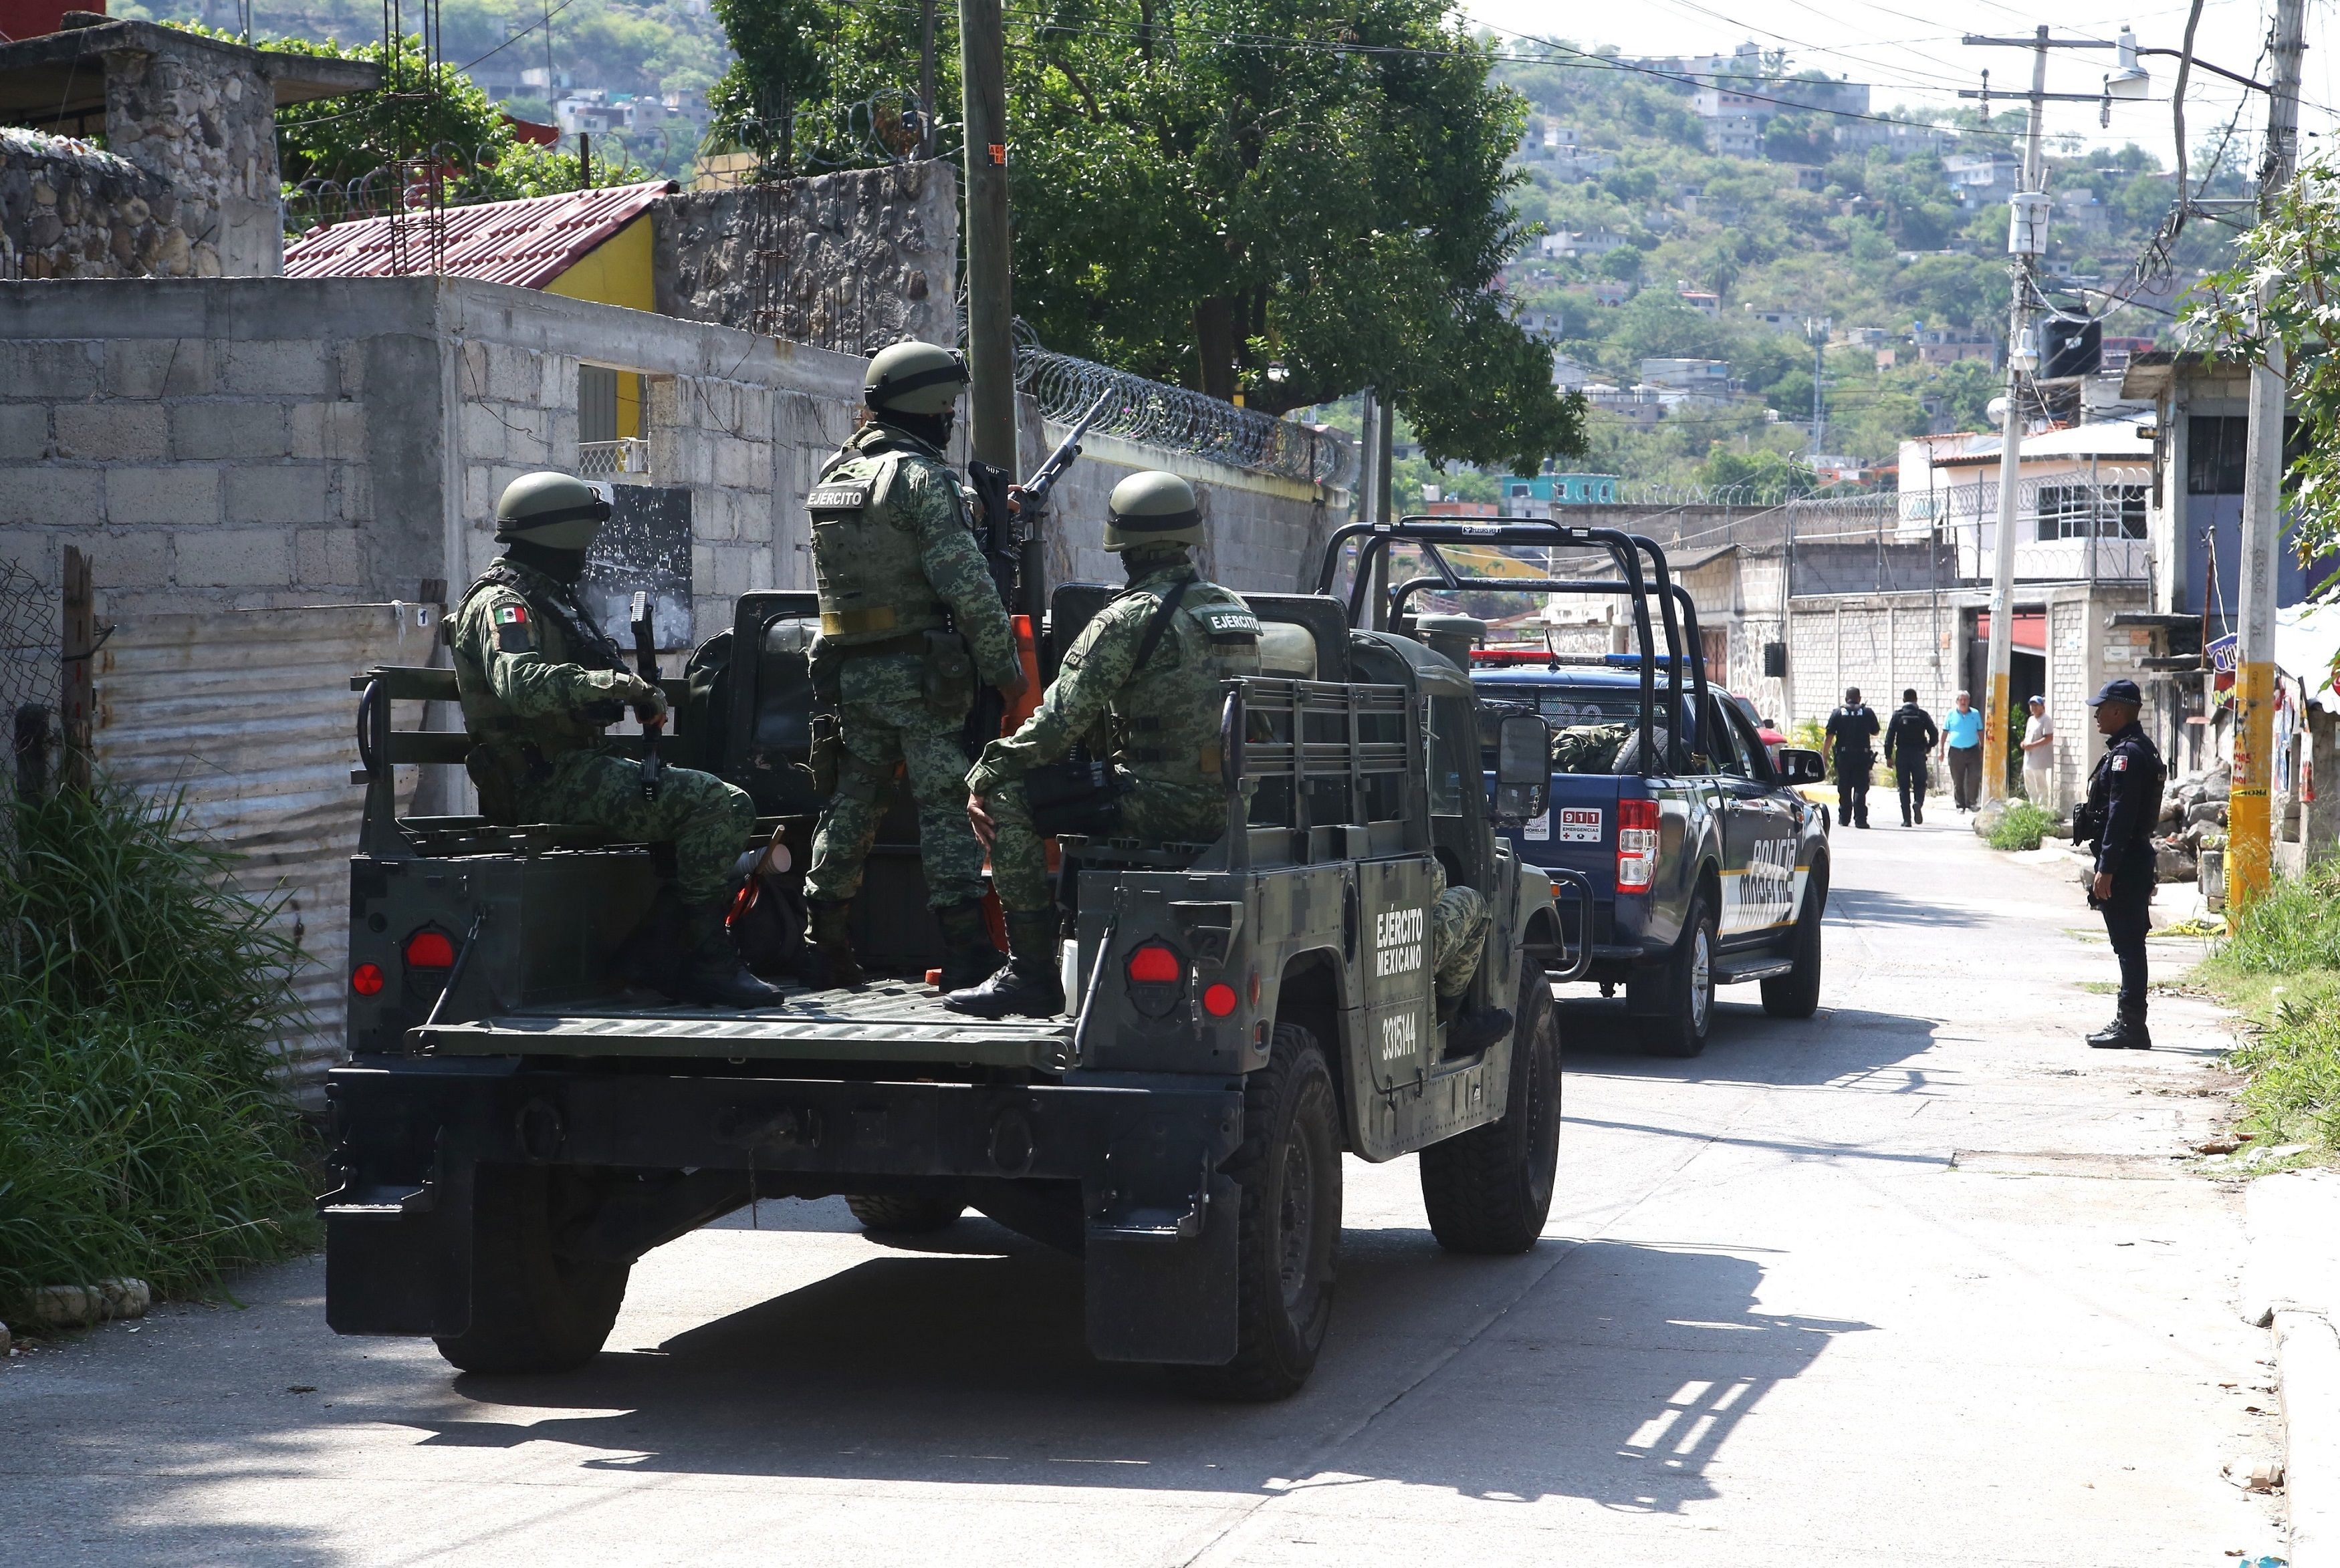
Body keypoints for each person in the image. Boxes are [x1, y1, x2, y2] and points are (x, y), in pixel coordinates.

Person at [451, 471, 779, 1006]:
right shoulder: (503, 605)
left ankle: (656, 954)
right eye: (583, 542)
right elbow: (522, 686)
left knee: (703, 802)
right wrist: (618, 685)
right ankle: (703, 959)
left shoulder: (547, 598)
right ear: (561, 540)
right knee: (722, 807)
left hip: (574, 767)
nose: (586, 557)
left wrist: (627, 695)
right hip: (542, 781)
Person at [946, 471, 1258, 1019]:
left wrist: (985, 774)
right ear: (1189, 535)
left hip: (1158, 807)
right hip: (1232, 809)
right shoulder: (1233, 609)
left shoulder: (1128, 618)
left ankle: (1031, 975)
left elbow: (1054, 728)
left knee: (1010, 797)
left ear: (1123, 544)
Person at [798, 340, 1027, 992]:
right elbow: (968, 588)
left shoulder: (835, 476)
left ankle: (824, 945)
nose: (950, 419)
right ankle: (965, 951)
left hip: (850, 674)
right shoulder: (924, 479)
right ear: (930, 408)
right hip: (922, 676)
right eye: (947, 407)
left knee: (851, 805)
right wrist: (1006, 672)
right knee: (945, 805)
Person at [2075, 679, 2165, 1049]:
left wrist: (2106, 868)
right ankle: (2131, 1022)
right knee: (2128, 943)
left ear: (2119, 710)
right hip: (2129, 859)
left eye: (2102, 708)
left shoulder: (2128, 756)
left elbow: (2120, 817)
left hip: (2125, 863)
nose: (2096, 714)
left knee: (2128, 944)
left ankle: (2131, 1025)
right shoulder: (2136, 749)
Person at [1823, 686, 1880, 829]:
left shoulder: (1838, 713)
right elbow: (1876, 731)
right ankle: (1860, 820)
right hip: (1862, 756)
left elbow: (1829, 736)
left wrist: (1823, 756)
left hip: (1844, 756)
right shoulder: (1867, 712)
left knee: (1844, 787)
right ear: (1859, 698)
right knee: (1861, 787)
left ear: (1845, 698)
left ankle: (1844, 818)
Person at [1882, 688, 1939, 827]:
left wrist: (1889, 756)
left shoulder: (1898, 715)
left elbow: (1889, 737)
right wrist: (1928, 747)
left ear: (1903, 700)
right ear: (1916, 700)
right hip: (1918, 754)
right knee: (1920, 783)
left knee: (1903, 787)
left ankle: (1907, 820)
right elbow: (1935, 734)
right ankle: (1918, 802)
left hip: (1902, 754)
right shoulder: (1922, 715)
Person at [1941, 690, 1985, 811]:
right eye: (1961, 700)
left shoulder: (1975, 714)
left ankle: (1972, 802)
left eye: (1965, 699)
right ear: (1957, 702)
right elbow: (1944, 733)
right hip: (1956, 752)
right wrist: (1941, 750)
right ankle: (1960, 805)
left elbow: (1980, 731)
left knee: (1974, 777)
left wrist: (1982, 748)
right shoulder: (1951, 714)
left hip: (1973, 750)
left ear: (1969, 701)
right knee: (1958, 779)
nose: (1963, 702)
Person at [2020, 694, 2058, 809]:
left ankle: (2042, 808)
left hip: (2040, 757)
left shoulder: (2046, 719)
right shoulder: (2031, 720)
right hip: (2029, 756)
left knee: (2040, 783)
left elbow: (2049, 737)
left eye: (2036, 705)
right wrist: (2024, 743)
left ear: (2042, 706)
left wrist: (2032, 745)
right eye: (2032, 705)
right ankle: (2033, 806)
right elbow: (2028, 736)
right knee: (2029, 782)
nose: (2034, 708)